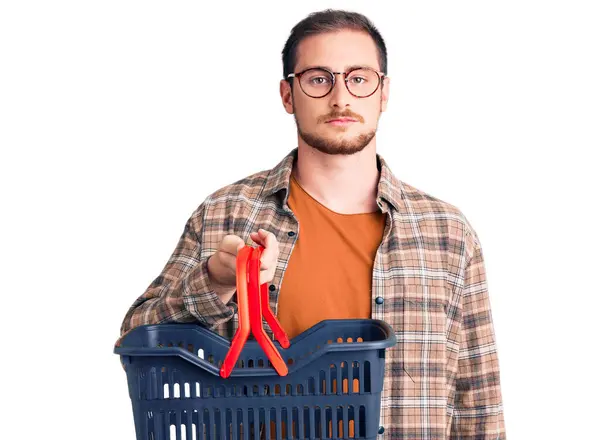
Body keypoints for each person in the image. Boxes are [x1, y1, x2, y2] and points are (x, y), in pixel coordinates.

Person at [116, 8, 507, 439]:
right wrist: (215, 283)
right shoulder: (227, 214)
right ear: (287, 95)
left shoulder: (447, 234)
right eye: (319, 79)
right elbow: (137, 340)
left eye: (359, 78)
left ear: (383, 93)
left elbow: (478, 404)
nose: (341, 98)